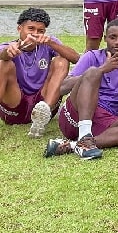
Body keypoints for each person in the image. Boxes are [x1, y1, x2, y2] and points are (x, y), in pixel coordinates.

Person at [44, 20, 118, 160]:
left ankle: (75, 145)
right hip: (78, 116)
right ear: (105, 38)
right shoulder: (92, 56)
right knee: (92, 72)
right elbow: (62, 88)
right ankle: (84, 135)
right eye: (113, 37)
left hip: (106, 120)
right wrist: (102, 69)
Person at [0, 8, 79, 138]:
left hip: (43, 103)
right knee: (3, 63)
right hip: (14, 106)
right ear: (20, 28)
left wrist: (51, 43)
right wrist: (7, 53)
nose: (35, 34)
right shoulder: (10, 46)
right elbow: (2, 53)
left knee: (62, 61)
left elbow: (76, 58)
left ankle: (43, 114)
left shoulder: (47, 43)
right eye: (31, 29)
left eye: (40, 31)